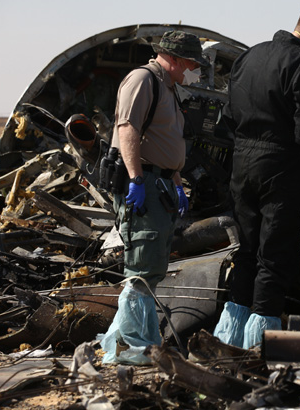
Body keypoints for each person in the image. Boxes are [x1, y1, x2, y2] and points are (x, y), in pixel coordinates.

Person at [214, 0, 300, 349]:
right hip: (280, 167)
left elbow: (226, 118)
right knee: (275, 255)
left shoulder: (249, 57)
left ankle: (230, 337)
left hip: (242, 166)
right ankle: (259, 346)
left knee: (246, 250)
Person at [99, 31, 209, 364]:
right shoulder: (143, 80)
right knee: (142, 265)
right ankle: (126, 348)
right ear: (173, 58)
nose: (195, 71)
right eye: (191, 64)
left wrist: (176, 183)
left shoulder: (168, 87)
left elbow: (165, 140)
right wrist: (136, 179)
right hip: (143, 181)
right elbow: (127, 129)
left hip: (159, 182)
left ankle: (141, 342)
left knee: (153, 266)